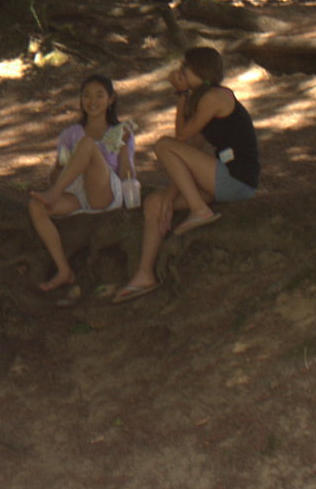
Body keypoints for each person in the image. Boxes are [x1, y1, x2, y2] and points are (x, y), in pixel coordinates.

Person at [111, 46, 260, 304]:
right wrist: (169, 198)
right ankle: (145, 274)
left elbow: (179, 137)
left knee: (163, 144)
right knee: (154, 203)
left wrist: (181, 94)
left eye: (185, 67)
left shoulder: (215, 97)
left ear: (199, 70)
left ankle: (199, 210)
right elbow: (191, 151)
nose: (179, 71)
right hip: (222, 179)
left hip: (237, 179)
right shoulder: (203, 101)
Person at [27, 74, 137, 292]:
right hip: (77, 192)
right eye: (87, 95)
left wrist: (124, 146)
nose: (92, 101)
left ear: (111, 99)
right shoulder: (69, 134)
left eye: (99, 95)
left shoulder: (121, 132)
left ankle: (53, 194)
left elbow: (127, 172)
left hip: (105, 191)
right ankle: (63, 270)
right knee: (35, 206)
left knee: (87, 145)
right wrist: (59, 166)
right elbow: (56, 178)